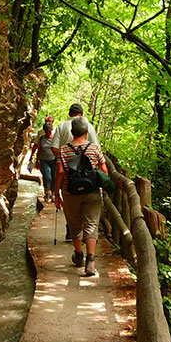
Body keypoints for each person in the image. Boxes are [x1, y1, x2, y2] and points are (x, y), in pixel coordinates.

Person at [54, 117, 108, 277]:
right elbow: (104, 170)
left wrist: (56, 193)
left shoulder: (63, 150)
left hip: (70, 192)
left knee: (74, 224)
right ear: (86, 132)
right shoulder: (94, 148)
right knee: (91, 224)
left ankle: (79, 255)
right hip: (91, 192)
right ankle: (90, 261)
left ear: (71, 133)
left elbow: (60, 172)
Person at [50, 103, 99, 240]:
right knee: (87, 200)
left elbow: (54, 147)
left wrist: (62, 158)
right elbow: (96, 147)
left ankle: (71, 231)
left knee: (71, 200)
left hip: (68, 171)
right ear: (81, 114)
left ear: (70, 113)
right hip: (88, 172)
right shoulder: (88, 126)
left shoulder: (61, 126)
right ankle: (86, 234)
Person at [29, 116, 57, 202]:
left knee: (54, 177)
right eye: (47, 130)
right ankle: (47, 192)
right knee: (47, 176)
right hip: (44, 160)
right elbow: (38, 149)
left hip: (54, 160)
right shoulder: (41, 138)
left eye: (50, 130)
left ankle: (53, 194)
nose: (49, 132)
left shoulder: (55, 138)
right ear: (44, 131)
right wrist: (36, 161)